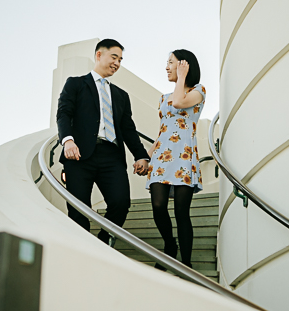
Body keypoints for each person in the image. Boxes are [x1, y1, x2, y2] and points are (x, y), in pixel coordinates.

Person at [56, 39, 150, 244]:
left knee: (121, 202)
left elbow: (128, 129)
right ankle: (83, 249)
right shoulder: (76, 83)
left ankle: (104, 239)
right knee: (78, 207)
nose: (117, 63)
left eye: (120, 60)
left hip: (111, 157)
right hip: (79, 154)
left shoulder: (121, 96)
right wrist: (68, 141)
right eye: (114, 57)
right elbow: (64, 113)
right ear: (99, 55)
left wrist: (141, 155)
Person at [146, 50, 206, 269]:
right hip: (162, 156)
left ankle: (186, 264)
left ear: (184, 65)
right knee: (158, 205)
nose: (167, 67)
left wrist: (181, 77)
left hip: (183, 157)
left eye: (170, 63)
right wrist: (147, 156)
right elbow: (162, 130)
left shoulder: (198, 91)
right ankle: (170, 245)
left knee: (182, 212)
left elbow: (180, 103)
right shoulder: (163, 98)